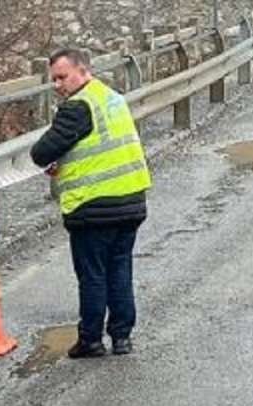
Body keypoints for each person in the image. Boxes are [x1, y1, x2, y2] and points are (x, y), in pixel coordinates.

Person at [30, 48, 152, 358]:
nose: (58, 85)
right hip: (131, 200)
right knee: (120, 269)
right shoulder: (111, 97)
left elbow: (41, 152)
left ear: (83, 71)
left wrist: (54, 161)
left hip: (94, 207)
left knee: (93, 275)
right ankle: (122, 337)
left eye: (62, 77)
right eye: (53, 80)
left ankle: (91, 340)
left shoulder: (77, 107)